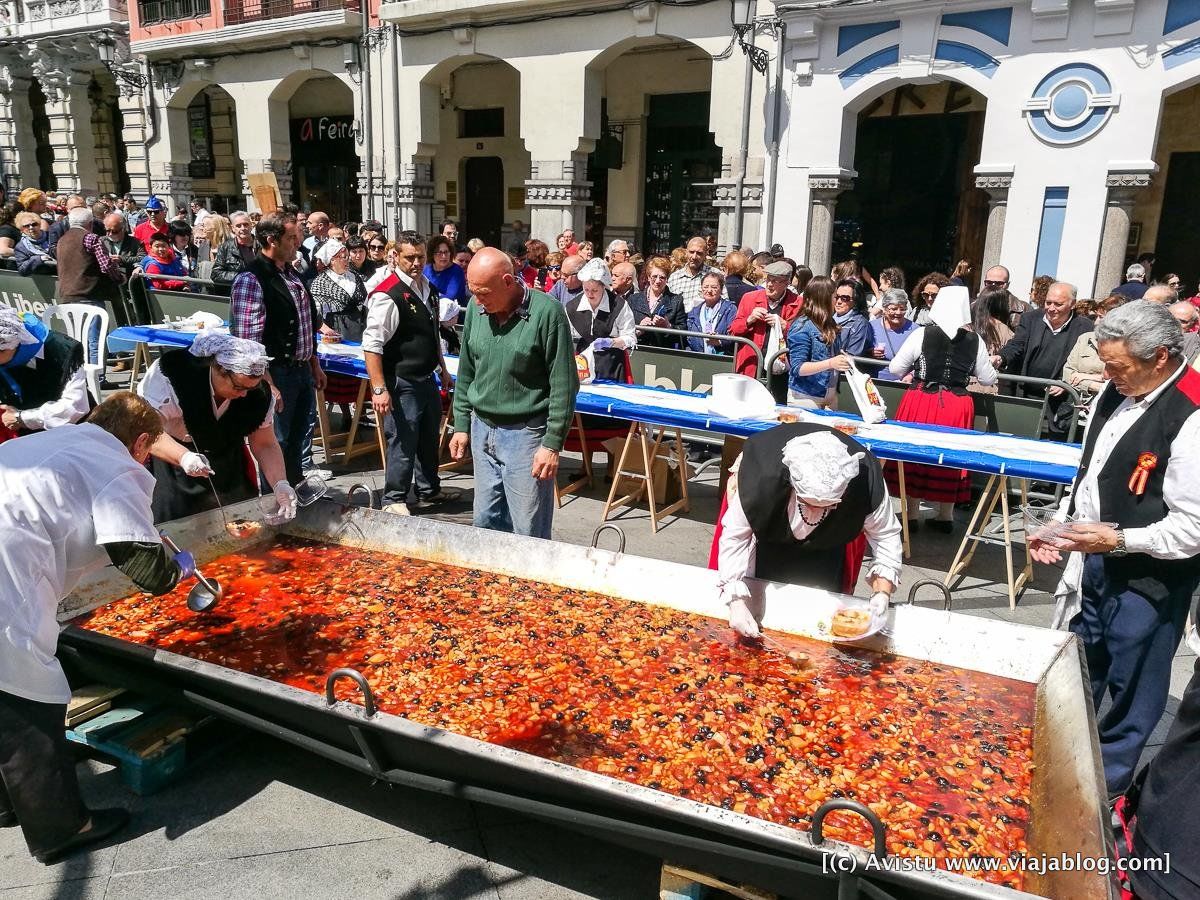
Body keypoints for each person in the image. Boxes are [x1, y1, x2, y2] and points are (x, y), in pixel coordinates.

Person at [0, 392, 197, 865]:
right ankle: (62, 830)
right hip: (8, 583)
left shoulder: (57, 439)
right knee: (31, 703)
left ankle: (8, 806)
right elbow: (146, 570)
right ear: (142, 441)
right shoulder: (120, 466)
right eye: (149, 450)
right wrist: (177, 570)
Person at [1031, 301, 1200, 799]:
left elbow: (1194, 526)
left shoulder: (1191, 413)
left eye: (1118, 367)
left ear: (1162, 357)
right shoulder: (1118, 387)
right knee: (1081, 668)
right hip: (1098, 565)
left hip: (1152, 576)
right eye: (1105, 364)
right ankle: (1061, 766)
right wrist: (1061, 525)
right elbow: (1093, 472)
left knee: (1133, 692)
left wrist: (1122, 540)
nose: (1106, 376)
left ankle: (1101, 798)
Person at [714, 425, 903, 639]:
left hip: (828, 548)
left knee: (821, 624)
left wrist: (882, 593)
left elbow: (886, 535)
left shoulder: (864, 482)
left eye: (829, 506)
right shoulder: (761, 480)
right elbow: (735, 536)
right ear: (791, 484)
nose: (816, 511)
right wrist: (736, 600)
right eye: (807, 503)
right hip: (770, 541)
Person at [448, 248, 578, 539]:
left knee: (527, 528)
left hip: (526, 435)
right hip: (482, 429)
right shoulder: (477, 311)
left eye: (483, 293)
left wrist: (552, 444)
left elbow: (564, 385)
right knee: (484, 521)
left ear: (508, 281)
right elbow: (467, 370)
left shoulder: (547, 313)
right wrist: (460, 425)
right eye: (473, 292)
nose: (478, 301)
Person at [138, 334, 294, 523]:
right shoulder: (172, 376)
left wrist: (280, 484)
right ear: (218, 370)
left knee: (241, 529)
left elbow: (265, 444)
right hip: (174, 460)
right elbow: (148, 432)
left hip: (229, 461)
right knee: (180, 530)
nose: (244, 395)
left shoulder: (258, 394)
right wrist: (184, 457)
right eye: (238, 387)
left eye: (251, 388)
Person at [887, 286, 998, 531]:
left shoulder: (920, 335)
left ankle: (912, 514)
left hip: (921, 399)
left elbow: (895, 369)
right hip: (957, 404)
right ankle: (945, 516)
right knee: (951, 457)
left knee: (914, 454)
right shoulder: (975, 340)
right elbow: (989, 378)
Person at [231, 212, 326, 486]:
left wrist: (314, 363)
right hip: (277, 373)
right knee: (277, 442)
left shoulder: (292, 273)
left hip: (300, 370)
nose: (298, 242)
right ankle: (278, 499)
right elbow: (248, 341)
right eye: (292, 237)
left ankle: (295, 494)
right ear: (272, 240)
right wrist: (267, 383)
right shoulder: (252, 279)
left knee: (297, 439)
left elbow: (305, 323)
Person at [363, 231, 451, 512]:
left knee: (428, 439)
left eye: (420, 257)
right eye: (409, 257)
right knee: (402, 440)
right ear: (396, 257)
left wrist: (443, 368)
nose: (416, 263)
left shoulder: (429, 289)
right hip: (401, 380)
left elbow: (433, 334)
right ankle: (394, 498)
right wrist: (379, 388)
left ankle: (428, 490)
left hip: (427, 378)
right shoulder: (387, 294)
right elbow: (372, 345)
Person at [999, 281, 1093, 440]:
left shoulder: (1084, 326)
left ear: (1072, 304)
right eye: (1048, 302)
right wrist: (1001, 357)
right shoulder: (1030, 319)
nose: (1051, 308)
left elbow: (1084, 364)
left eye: (1058, 304)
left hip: (1059, 401)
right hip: (1026, 395)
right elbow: (1017, 345)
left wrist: (1066, 383)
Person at [0, 307, 88, 442]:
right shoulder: (7, 355)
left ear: (9, 346)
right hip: (20, 437)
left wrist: (21, 418)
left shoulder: (63, 350)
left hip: (68, 434)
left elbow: (74, 407)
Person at [309, 239, 369, 424]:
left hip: (358, 325)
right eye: (340, 257)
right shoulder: (321, 281)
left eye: (345, 256)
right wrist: (325, 329)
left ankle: (361, 408)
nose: (345, 260)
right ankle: (345, 412)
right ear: (331, 260)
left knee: (362, 366)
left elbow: (364, 302)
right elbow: (315, 310)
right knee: (343, 371)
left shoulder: (355, 277)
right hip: (336, 325)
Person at [731, 260, 803, 394]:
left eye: (775, 281)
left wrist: (785, 326)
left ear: (787, 283)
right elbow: (734, 330)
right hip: (751, 365)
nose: (769, 284)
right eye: (768, 279)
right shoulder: (749, 298)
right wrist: (749, 320)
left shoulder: (798, 303)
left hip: (781, 369)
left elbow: (802, 336)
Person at [566, 259, 636, 382]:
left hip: (612, 363)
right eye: (586, 289)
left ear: (604, 287)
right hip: (584, 362)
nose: (589, 294)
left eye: (594, 290)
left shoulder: (619, 305)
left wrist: (611, 342)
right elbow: (565, 335)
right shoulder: (572, 307)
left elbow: (630, 338)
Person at [786, 276, 847, 409]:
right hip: (806, 398)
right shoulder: (802, 326)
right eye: (835, 297)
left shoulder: (831, 323)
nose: (838, 301)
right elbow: (797, 368)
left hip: (830, 396)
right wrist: (831, 363)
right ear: (824, 298)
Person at [1063, 295, 1127, 398]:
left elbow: (1119, 379)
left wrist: (1085, 377)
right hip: (1077, 403)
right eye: (1096, 316)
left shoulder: (1127, 345)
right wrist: (1090, 385)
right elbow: (1068, 373)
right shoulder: (1085, 338)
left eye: (1101, 317)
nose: (1096, 322)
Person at [629, 257, 686, 349]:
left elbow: (683, 333)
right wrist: (639, 329)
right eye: (654, 276)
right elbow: (625, 328)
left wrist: (668, 326)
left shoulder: (676, 301)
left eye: (662, 277)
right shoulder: (633, 299)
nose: (658, 281)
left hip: (663, 352)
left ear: (667, 279)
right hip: (638, 350)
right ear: (648, 277)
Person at [867, 289, 918, 379]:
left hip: (904, 385)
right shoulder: (871, 327)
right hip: (875, 383)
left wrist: (912, 375)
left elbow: (924, 360)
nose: (898, 313)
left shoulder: (915, 330)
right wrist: (870, 353)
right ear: (884, 309)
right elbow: (858, 353)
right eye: (894, 309)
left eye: (902, 309)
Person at [686, 272, 738, 354]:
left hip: (721, 359)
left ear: (721, 290)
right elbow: (688, 338)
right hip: (697, 358)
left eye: (714, 287)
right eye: (706, 287)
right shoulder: (694, 312)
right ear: (701, 289)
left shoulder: (730, 309)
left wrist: (720, 341)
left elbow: (734, 335)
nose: (709, 290)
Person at [667, 236, 718, 313]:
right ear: (686, 252)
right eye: (691, 252)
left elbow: (723, 305)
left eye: (699, 253)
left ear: (705, 254)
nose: (694, 257)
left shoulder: (716, 275)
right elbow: (667, 305)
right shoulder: (675, 277)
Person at [424, 233, 468, 305]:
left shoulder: (457, 271)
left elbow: (450, 297)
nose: (444, 256)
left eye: (446, 252)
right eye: (439, 252)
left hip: (454, 313)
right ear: (432, 254)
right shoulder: (425, 269)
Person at [833, 278, 870, 356]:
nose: (839, 301)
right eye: (837, 297)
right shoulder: (828, 319)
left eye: (845, 298)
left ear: (856, 301)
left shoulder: (860, 324)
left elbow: (852, 355)